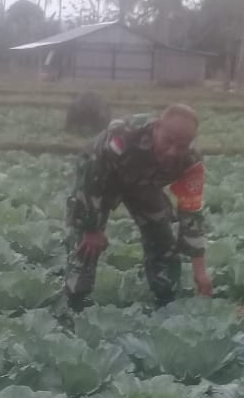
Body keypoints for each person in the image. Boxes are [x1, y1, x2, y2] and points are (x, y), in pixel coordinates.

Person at [63, 103, 213, 311]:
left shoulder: (191, 162)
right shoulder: (122, 137)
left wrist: (200, 271)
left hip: (144, 185)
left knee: (162, 238)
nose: (172, 151)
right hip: (101, 178)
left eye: (181, 146)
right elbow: (90, 184)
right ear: (156, 128)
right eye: (167, 142)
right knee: (87, 245)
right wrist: (91, 228)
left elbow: (192, 212)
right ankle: (74, 304)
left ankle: (166, 301)